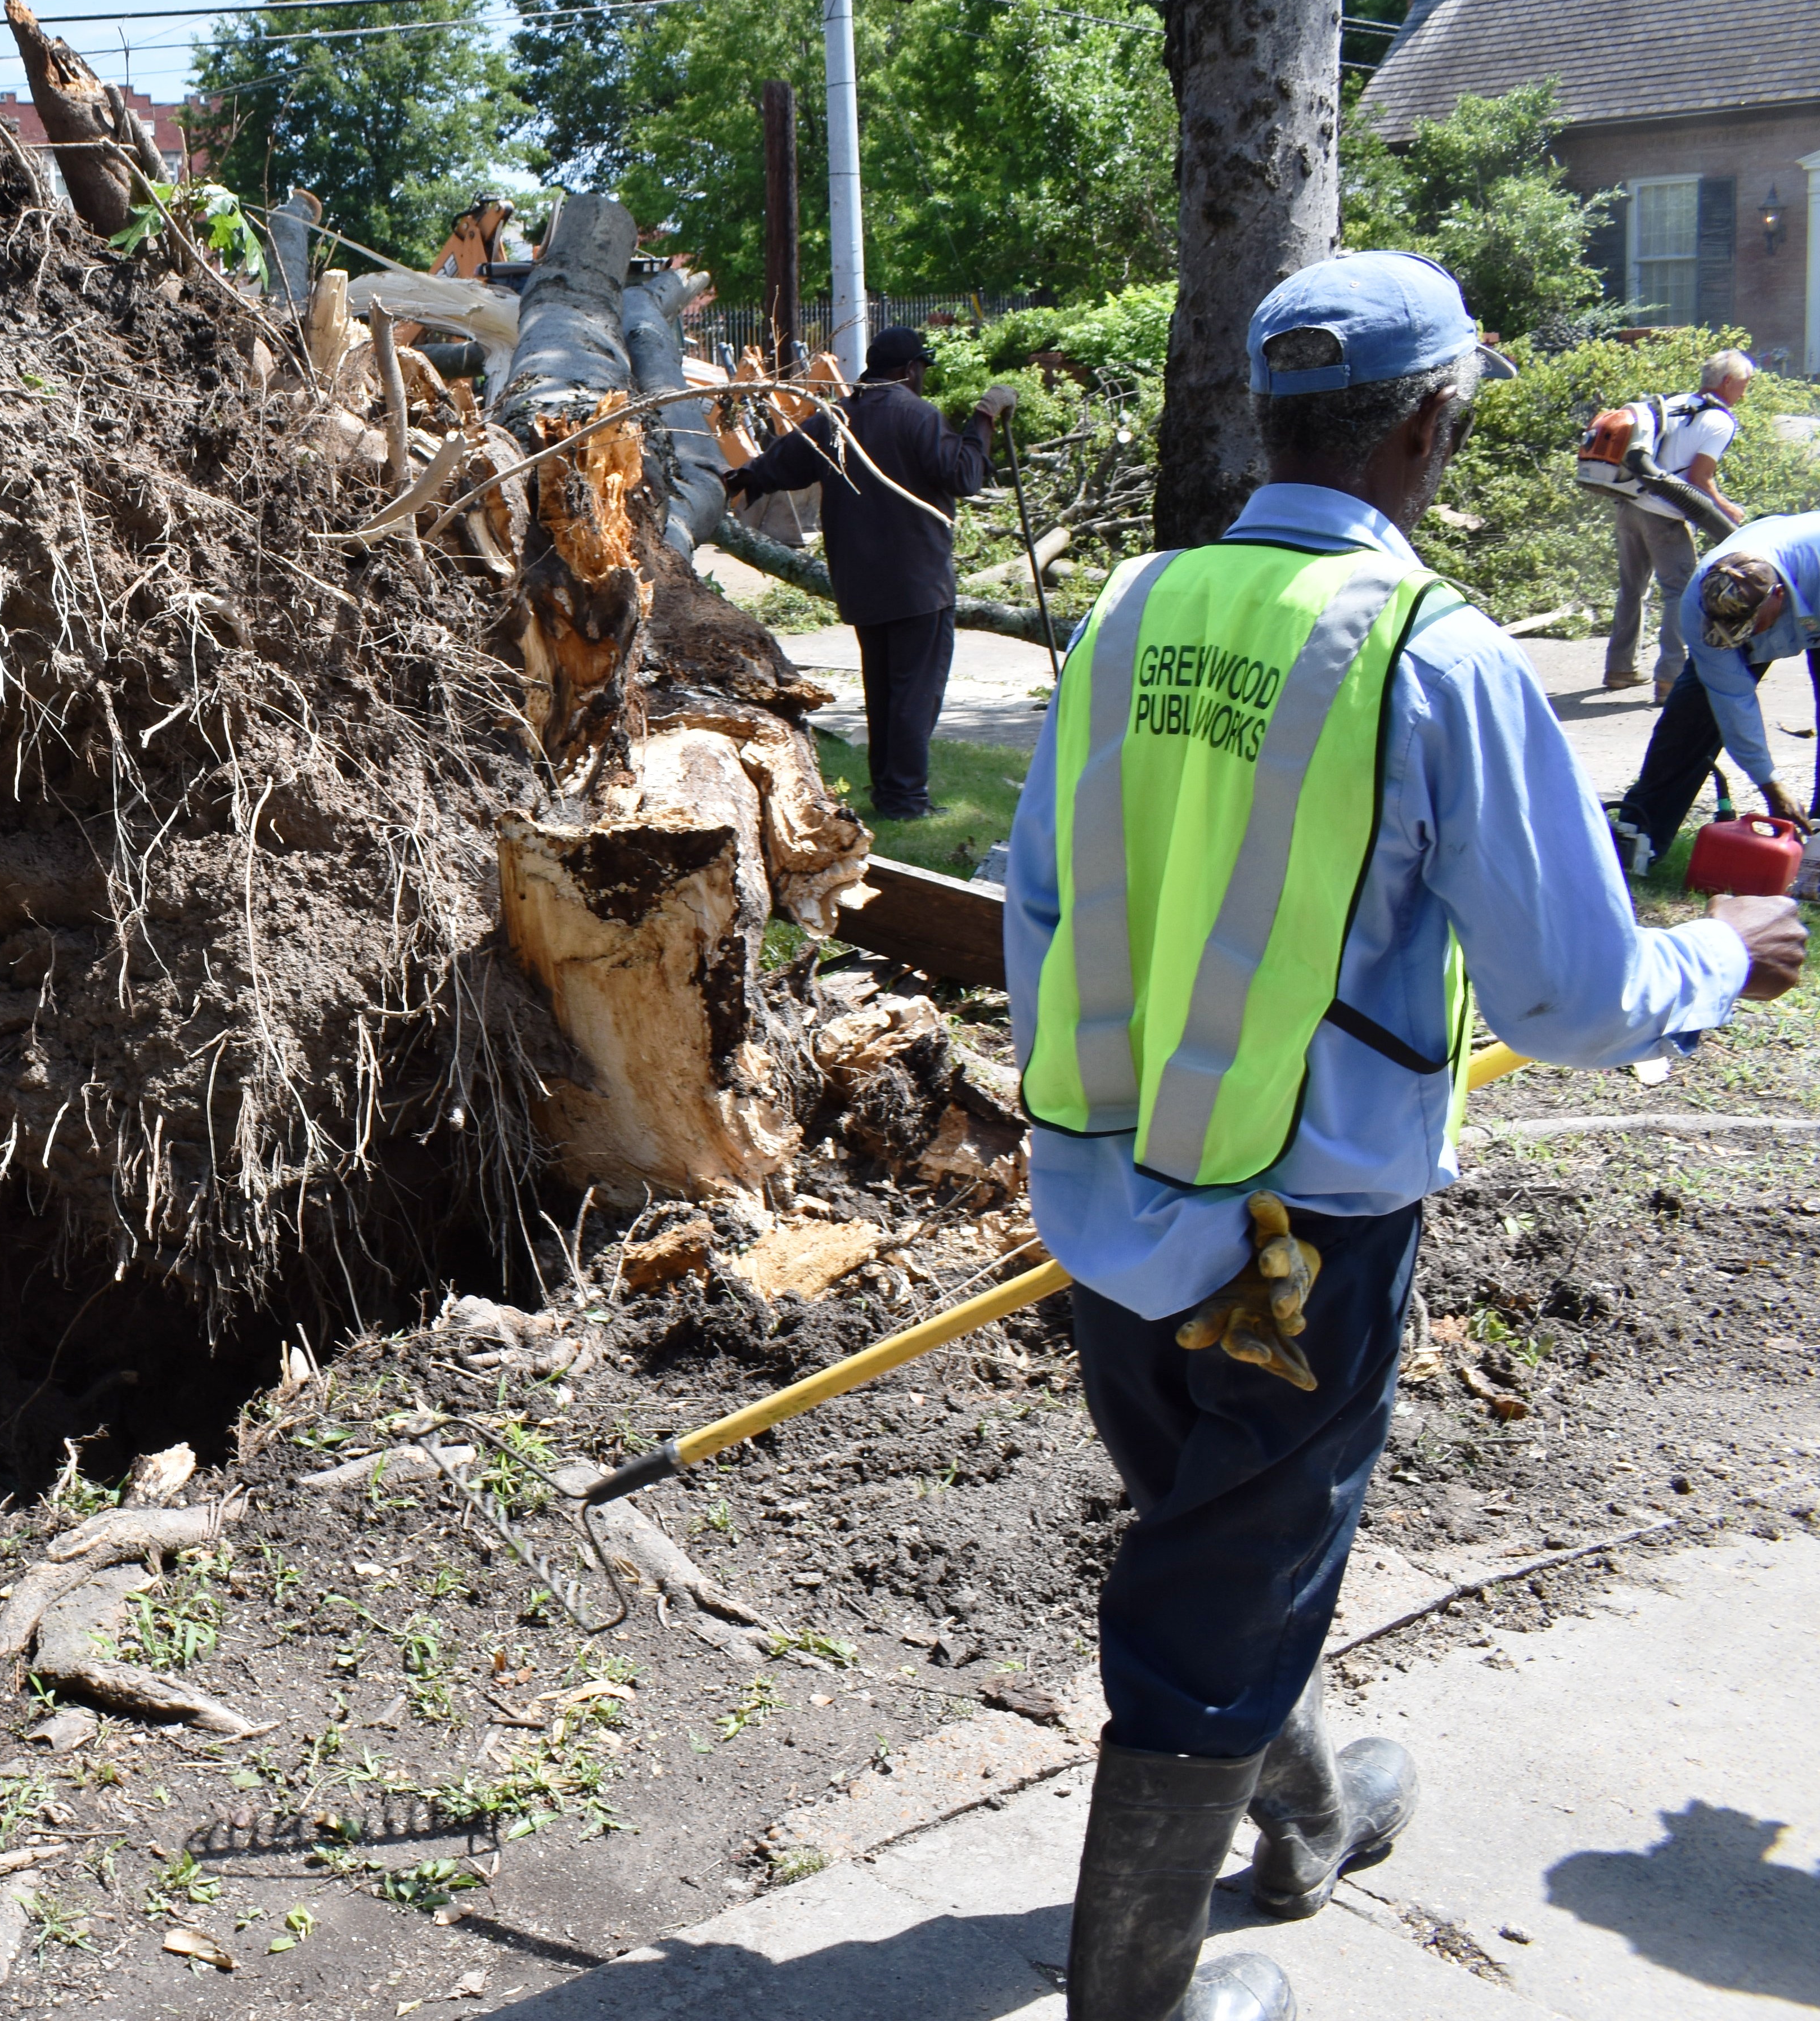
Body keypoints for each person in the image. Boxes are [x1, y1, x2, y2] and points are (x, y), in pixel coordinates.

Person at [1004, 252, 1804, 2021]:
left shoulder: (1132, 608)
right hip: (1295, 1238)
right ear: (1434, 424)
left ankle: (1305, 1811)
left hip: (1108, 1190)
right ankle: (1133, 1998)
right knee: (1219, 1586)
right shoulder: (1430, 652)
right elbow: (1570, 994)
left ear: (1270, 417)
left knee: (1223, 1531)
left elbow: (1039, 897)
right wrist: (1721, 955)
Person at [719, 325, 1017, 817]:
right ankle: (905, 798)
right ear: (909, 370)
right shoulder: (918, 416)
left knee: (883, 692)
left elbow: (780, 465)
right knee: (914, 694)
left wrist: (735, 479)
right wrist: (983, 418)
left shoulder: (837, 418)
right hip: (918, 582)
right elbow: (964, 475)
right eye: (921, 369)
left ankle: (889, 791)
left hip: (861, 581)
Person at [1611, 512, 1820, 867]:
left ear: (1778, 597)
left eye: (1746, 631)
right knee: (1690, 721)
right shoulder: (1700, 605)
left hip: (1813, 587)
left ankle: (1816, 854)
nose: (1736, 641)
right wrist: (1770, 783)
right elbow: (1733, 701)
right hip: (1781, 594)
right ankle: (1638, 842)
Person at [1605, 347, 1752, 698]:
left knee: (1631, 589)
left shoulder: (1672, 403)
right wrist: (1729, 510)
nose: (1745, 393)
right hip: (1666, 517)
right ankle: (1670, 679)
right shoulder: (1720, 421)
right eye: (1744, 384)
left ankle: (1620, 669)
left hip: (1630, 506)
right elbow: (1700, 480)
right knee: (1680, 594)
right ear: (1727, 382)